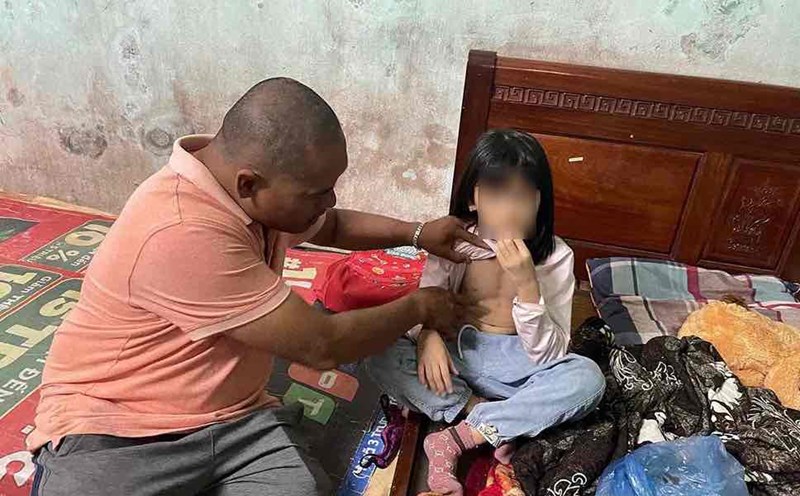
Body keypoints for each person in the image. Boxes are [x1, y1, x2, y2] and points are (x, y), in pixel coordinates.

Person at [27, 78, 488, 496]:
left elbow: (332, 226)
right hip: (120, 428)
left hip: (232, 416)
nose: (329, 201)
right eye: (316, 193)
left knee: (302, 489)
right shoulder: (181, 229)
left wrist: (417, 232)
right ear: (249, 184)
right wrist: (421, 307)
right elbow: (320, 345)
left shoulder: (241, 188)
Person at [364, 129, 606, 496]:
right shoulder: (455, 243)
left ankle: (458, 436)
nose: (509, 210)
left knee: (588, 378)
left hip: (522, 367)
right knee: (375, 346)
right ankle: (497, 417)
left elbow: (551, 353)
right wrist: (427, 335)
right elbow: (426, 304)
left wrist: (528, 286)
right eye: (495, 196)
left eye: (522, 197)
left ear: (541, 201)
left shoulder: (556, 257)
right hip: (459, 356)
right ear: (473, 198)